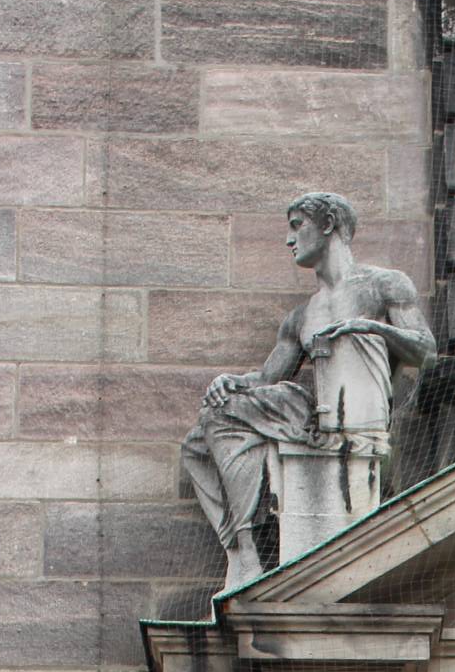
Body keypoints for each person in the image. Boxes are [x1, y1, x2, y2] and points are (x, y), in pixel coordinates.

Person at [182, 192, 436, 590]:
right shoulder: (301, 316)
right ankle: (244, 550)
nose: (289, 239)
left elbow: (426, 350)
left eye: (297, 225)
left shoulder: (383, 285)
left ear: (329, 223)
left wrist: (370, 328)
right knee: (208, 425)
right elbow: (266, 378)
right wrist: (230, 381)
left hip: (359, 418)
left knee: (224, 417)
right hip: (311, 414)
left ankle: (248, 551)